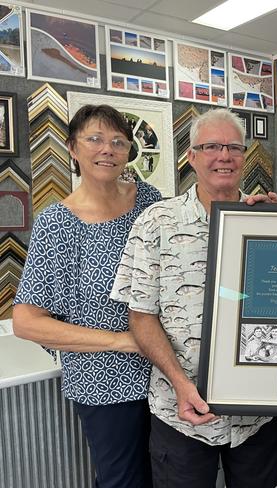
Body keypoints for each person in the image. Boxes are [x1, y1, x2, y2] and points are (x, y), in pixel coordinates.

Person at [110, 108, 277, 488]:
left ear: (244, 155)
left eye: (233, 147)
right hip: (181, 411)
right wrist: (180, 383)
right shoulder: (156, 222)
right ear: (191, 156)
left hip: (256, 413)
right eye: (211, 147)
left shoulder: (271, 219)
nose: (224, 156)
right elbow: (141, 317)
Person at [13, 104, 162, 488]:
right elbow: (27, 322)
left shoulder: (149, 201)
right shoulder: (57, 224)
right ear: (73, 149)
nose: (107, 149)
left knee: (170, 473)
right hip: (104, 382)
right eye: (94, 139)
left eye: (117, 141)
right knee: (123, 480)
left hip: (164, 370)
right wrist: (123, 342)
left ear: (129, 151)